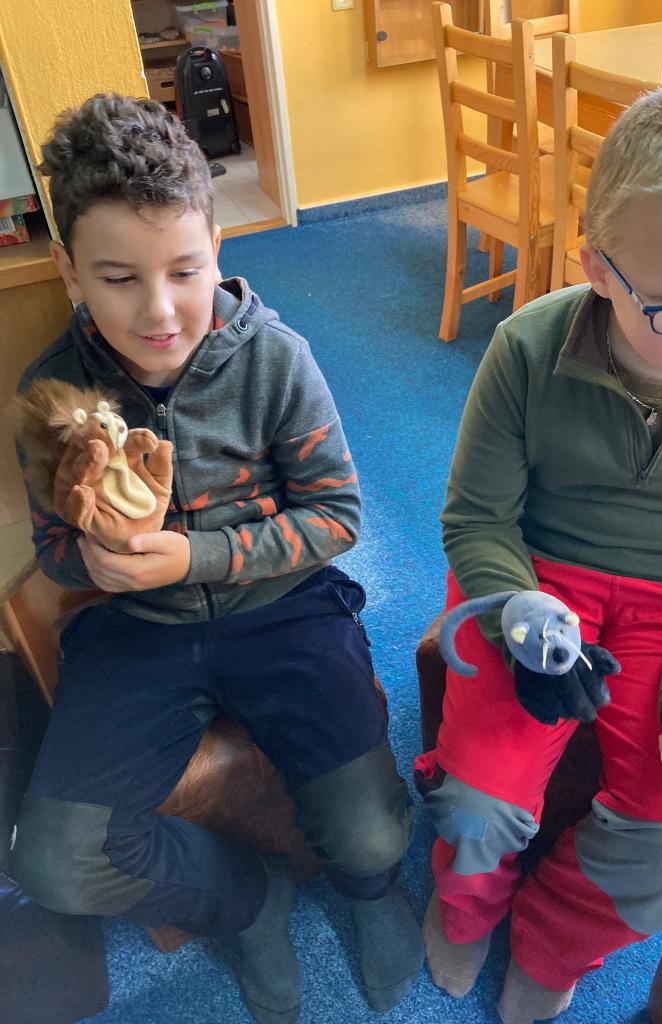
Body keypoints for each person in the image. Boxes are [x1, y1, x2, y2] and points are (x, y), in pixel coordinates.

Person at [10, 93, 423, 1024]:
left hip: (285, 607)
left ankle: (372, 897)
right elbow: (53, 548)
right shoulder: (52, 393)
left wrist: (194, 557)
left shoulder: (276, 360)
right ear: (68, 269)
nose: (159, 311)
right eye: (118, 278)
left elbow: (338, 516)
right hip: (138, 629)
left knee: (370, 837)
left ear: (217, 248)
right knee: (54, 861)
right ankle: (248, 899)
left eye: (184, 271)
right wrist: (93, 564)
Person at [415, 83, 662, 1024]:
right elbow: (477, 519)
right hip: (536, 581)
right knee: (475, 801)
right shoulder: (526, 347)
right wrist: (514, 606)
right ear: (600, 270)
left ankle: (551, 936)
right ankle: (466, 908)